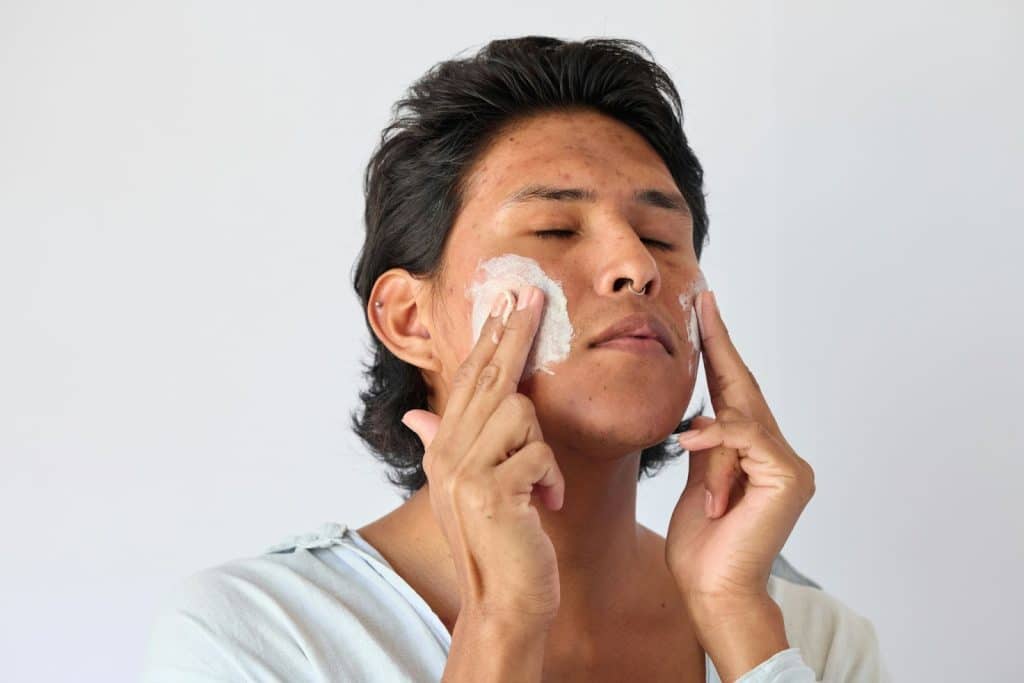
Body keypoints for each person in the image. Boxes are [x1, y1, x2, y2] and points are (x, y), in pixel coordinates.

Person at [142, 36, 892, 682]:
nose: (637, 265)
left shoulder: (808, 636)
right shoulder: (262, 637)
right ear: (409, 319)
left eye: (663, 237)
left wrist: (741, 627)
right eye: (556, 230)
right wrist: (502, 622)